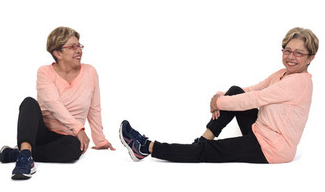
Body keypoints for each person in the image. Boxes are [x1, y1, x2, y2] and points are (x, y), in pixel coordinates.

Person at [120, 27, 317, 164]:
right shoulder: (282, 74)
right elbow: (251, 90)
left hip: (271, 148)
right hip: (260, 131)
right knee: (235, 90)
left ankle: (146, 147)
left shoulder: (299, 81)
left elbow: (256, 99)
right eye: (287, 50)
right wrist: (221, 96)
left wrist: (220, 102)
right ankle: (204, 139)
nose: (291, 57)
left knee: (206, 153)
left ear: (311, 57)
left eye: (299, 53)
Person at [0, 26, 115, 180]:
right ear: (57, 53)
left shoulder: (90, 72)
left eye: (79, 45)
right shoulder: (44, 72)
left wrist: (100, 141)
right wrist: (79, 129)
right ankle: (25, 158)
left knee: (75, 150)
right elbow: (54, 105)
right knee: (29, 103)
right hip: (42, 133)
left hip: (67, 138)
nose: (78, 50)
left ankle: (21, 153)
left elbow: (94, 108)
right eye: (72, 47)